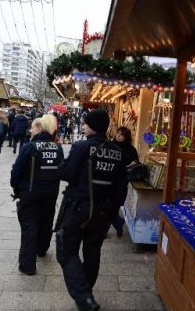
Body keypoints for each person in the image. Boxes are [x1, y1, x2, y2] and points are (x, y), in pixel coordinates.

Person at [55, 109, 127, 311]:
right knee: (92, 252)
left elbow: (67, 174)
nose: (83, 126)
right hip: (103, 211)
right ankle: (86, 294)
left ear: (93, 126)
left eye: (86, 123)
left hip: (78, 208)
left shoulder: (81, 147)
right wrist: (113, 211)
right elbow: (121, 188)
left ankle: (84, 297)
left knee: (66, 250)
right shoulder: (117, 152)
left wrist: (60, 164)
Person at [10, 115, 64, 275]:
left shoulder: (29, 147)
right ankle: (41, 249)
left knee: (29, 226)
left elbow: (16, 171)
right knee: (46, 221)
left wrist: (16, 186)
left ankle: (27, 265)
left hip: (30, 192)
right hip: (51, 192)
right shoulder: (57, 148)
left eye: (32, 127)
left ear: (40, 128)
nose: (30, 130)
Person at [110, 126, 139, 237]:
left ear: (126, 137)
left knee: (114, 205)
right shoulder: (110, 146)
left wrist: (132, 164)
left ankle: (117, 224)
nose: (118, 136)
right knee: (108, 206)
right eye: (118, 133)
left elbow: (136, 162)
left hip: (121, 181)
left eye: (121, 134)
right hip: (109, 179)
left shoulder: (131, 150)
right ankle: (116, 224)